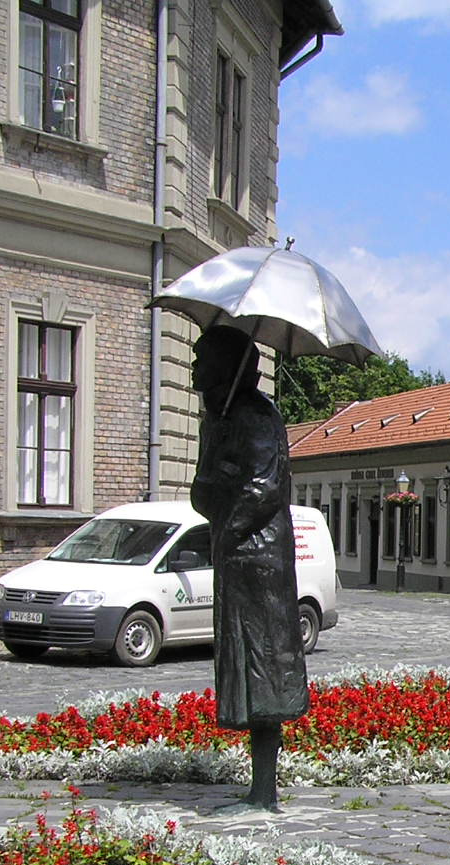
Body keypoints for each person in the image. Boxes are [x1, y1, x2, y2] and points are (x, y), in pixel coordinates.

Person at [189, 325, 310, 811]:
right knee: (244, 669)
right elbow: (202, 495)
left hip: (258, 559)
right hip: (237, 557)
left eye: (202, 359)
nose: (194, 367)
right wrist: (217, 476)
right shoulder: (218, 418)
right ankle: (258, 788)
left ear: (228, 365)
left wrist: (227, 530)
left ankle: (265, 790)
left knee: (265, 671)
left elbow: (263, 490)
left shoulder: (257, 416)